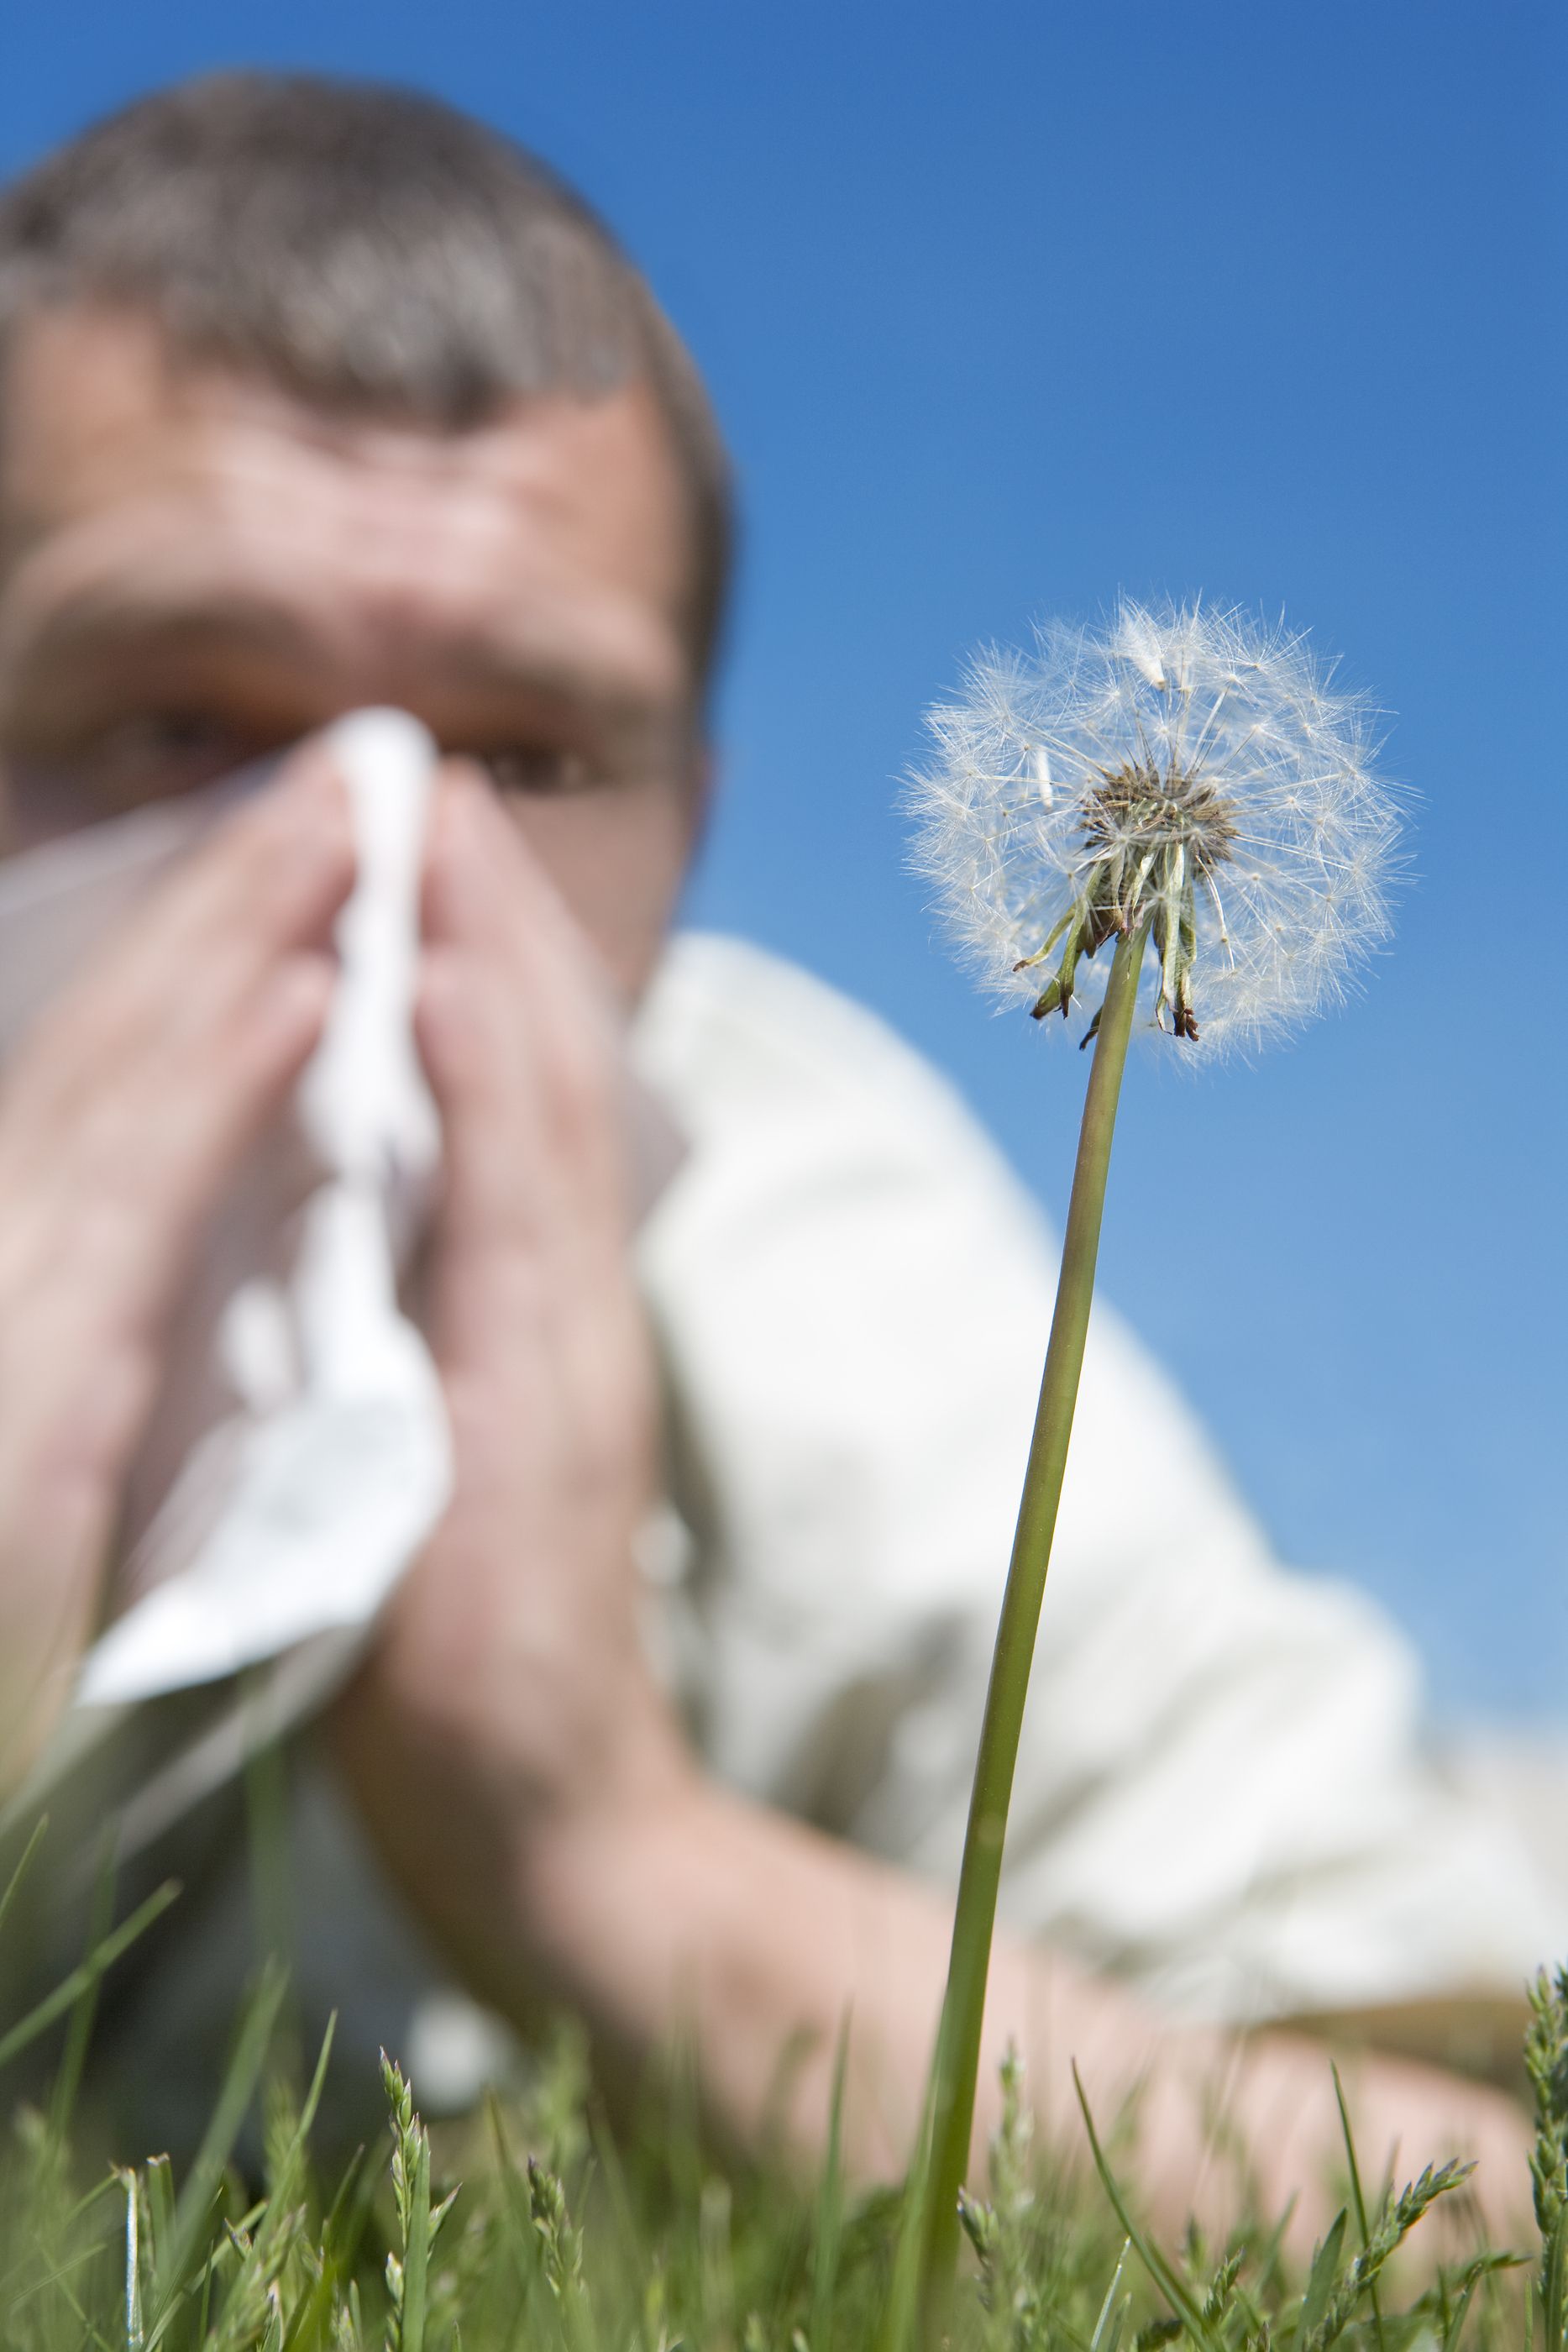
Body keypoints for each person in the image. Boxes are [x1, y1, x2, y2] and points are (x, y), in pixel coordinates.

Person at [0, 71, 1552, 2245]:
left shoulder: (817, 1257)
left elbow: (1479, 2223)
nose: (359, 866)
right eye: (178, 718)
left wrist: (606, 1848)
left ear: (685, 827)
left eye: (524, 754)